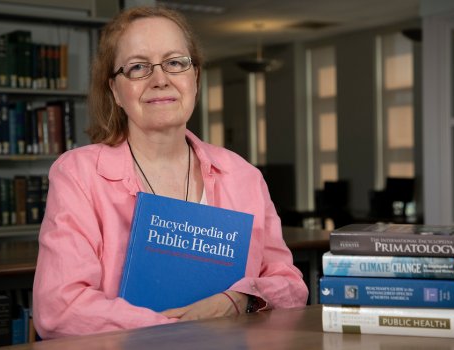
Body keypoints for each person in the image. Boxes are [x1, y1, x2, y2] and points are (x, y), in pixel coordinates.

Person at [33, 5, 308, 339]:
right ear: (115, 91)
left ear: (196, 78)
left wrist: (239, 301)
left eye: (175, 63)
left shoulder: (244, 176)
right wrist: (179, 330)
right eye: (138, 67)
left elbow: (291, 286)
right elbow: (59, 310)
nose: (160, 79)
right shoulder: (78, 174)